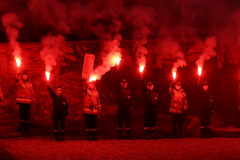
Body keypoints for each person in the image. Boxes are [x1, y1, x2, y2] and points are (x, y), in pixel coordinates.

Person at [15, 70, 34, 136]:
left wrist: (33, 99)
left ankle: (26, 128)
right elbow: (17, 79)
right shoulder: (20, 82)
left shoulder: (30, 84)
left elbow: (32, 92)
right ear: (22, 77)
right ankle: (22, 127)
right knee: (22, 114)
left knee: (27, 115)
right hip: (21, 101)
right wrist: (17, 73)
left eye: (26, 76)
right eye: (24, 76)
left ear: (27, 77)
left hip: (28, 102)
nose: (25, 77)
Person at [116, 72, 131, 140]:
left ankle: (128, 135)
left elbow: (131, 99)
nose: (124, 84)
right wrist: (117, 72)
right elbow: (116, 82)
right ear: (121, 83)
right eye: (123, 83)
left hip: (127, 108)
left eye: (125, 83)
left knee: (127, 121)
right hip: (121, 108)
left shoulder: (128, 90)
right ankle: (119, 135)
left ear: (127, 84)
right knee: (120, 121)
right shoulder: (119, 89)